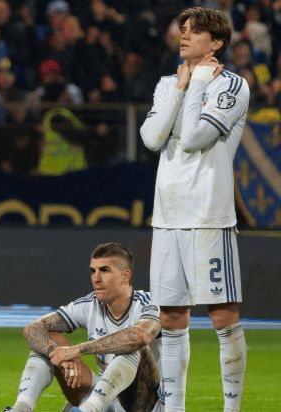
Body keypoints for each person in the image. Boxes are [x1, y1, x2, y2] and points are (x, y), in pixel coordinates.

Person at [140, 7, 248, 412]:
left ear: (216, 42)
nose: (184, 36)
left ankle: (231, 409)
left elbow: (194, 138)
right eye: (182, 30)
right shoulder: (168, 83)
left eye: (195, 31)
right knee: (170, 318)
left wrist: (198, 82)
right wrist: (182, 88)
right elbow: (152, 138)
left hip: (208, 216)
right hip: (167, 216)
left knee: (222, 315)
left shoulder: (232, 85)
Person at [4, 242, 164, 412]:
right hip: (105, 400)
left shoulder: (149, 303)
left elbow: (140, 336)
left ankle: (89, 409)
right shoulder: (90, 304)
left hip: (146, 406)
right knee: (46, 340)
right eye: (93, 271)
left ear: (125, 275)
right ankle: (22, 407)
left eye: (105, 270)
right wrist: (56, 353)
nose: (96, 278)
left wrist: (76, 350)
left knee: (133, 345)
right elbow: (32, 328)